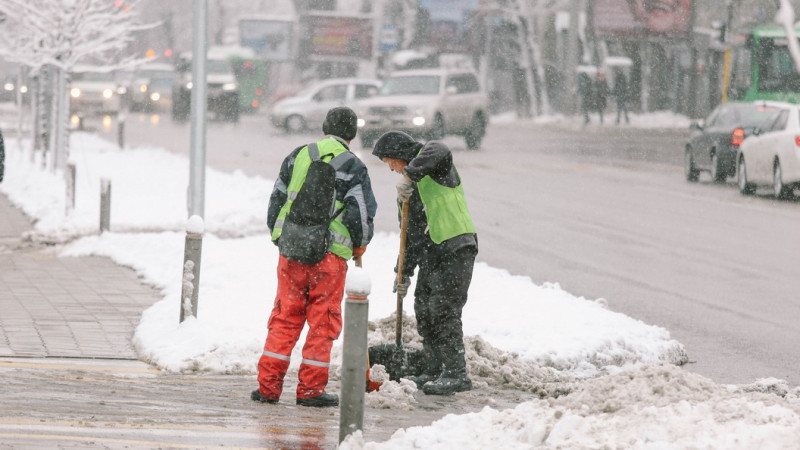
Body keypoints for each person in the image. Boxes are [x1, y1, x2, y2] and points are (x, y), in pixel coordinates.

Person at [252, 106, 377, 408]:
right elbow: (360, 213)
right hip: (329, 260)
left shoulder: (298, 155)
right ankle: (310, 391)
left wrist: (282, 236)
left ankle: (268, 387)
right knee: (323, 323)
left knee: (285, 317)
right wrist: (360, 243)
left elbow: (277, 199)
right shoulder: (353, 166)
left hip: (292, 253)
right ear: (352, 134)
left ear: (324, 128)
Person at [371, 131, 478, 396]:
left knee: (444, 310)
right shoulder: (408, 195)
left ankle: (456, 373)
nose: (392, 170)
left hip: (456, 246)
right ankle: (433, 368)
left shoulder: (435, 165)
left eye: (390, 163)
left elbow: (439, 148)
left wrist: (409, 174)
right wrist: (403, 272)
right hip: (433, 254)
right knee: (424, 310)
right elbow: (410, 236)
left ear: (400, 155)